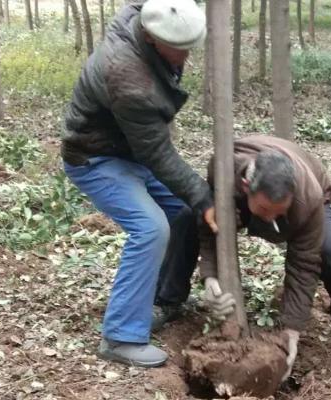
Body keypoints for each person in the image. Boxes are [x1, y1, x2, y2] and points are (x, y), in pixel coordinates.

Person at [61, 0, 217, 368]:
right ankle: (120, 337)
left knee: (183, 213)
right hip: (95, 157)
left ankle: (165, 300)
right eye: (177, 49)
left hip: (127, 150)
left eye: (188, 48)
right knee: (150, 228)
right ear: (150, 38)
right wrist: (203, 196)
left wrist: (196, 203)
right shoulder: (128, 79)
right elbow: (157, 154)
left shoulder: (146, 15)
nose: (185, 57)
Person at [154, 135, 331, 377]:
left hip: (310, 188)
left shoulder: (307, 199)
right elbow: (210, 226)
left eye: (278, 212)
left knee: (330, 249)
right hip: (244, 182)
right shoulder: (223, 172)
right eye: (264, 210)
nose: (270, 219)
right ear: (244, 187)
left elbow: (304, 264)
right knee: (189, 215)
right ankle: (168, 299)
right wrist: (210, 277)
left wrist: (292, 330)